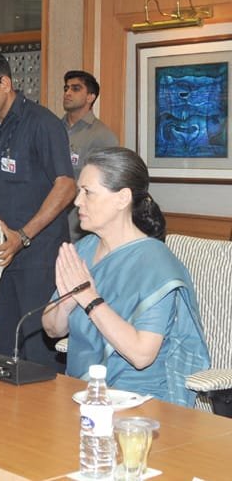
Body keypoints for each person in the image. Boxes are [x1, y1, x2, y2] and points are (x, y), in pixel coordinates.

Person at [42, 147, 209, 407]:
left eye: (88, 192)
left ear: (122, 199)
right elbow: (52, 328)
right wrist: (66, 303)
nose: (77, 202)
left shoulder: (155, 263)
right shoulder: (83, 249)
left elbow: (141, 355)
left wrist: (89, 298)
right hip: (81, 392)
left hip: (140, 401)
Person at [0, 49, 75, 368]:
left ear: (5, 83)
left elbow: (66, 185)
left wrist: (23, 236)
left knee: (39, 350)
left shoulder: (43, 123)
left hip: (39, 256)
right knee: (2, 348)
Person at [62, 70, 119, 241]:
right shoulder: (53, 129)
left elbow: (109, 187)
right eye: (66, 88)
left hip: (80, 227)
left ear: (90, 97)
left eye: (75, 89)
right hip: (48, 224)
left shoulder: (102, 136)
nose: (68, 93)